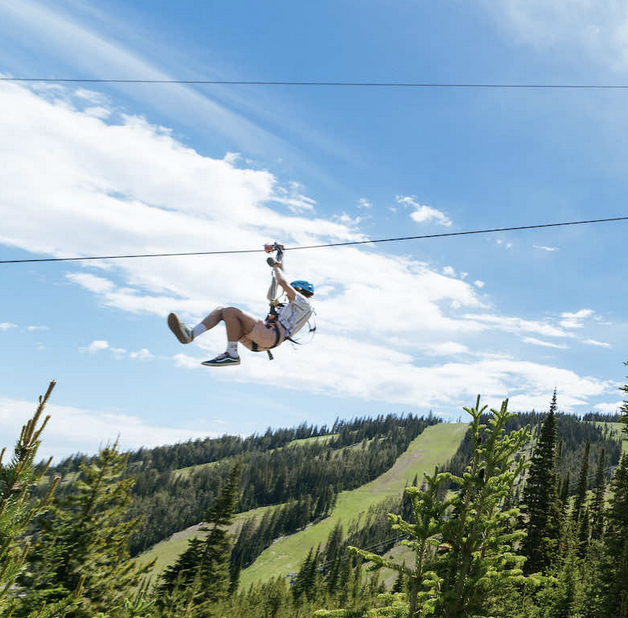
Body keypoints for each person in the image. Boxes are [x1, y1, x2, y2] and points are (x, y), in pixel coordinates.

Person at [167, 263, 314, 366]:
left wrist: (276, 268)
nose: (287, 296)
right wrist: (274, 276)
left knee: (231, 311)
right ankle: (191, 334)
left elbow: (283, 282)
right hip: (260, 340)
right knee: (221, 310)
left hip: (270, 336)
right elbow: (271, 296)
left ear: (299, 290)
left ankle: (231, 354)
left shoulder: (304, 304)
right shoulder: (288, 307)